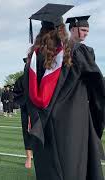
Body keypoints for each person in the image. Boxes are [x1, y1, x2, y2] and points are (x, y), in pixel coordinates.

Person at [23, 3, 105, 179]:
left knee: (50, 171)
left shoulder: (33, 59)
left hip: (44, 131)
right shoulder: (75, 52)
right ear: (63, 29)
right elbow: (98, 88)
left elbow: (27, 97)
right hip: (74, 127)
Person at [14, 57, 33, 169]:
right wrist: (26, 100)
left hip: (40, 110)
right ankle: (28, 157)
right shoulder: (21, 80)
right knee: (27, 133)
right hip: (26, 110)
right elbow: (17, 94)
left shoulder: (41, 78)